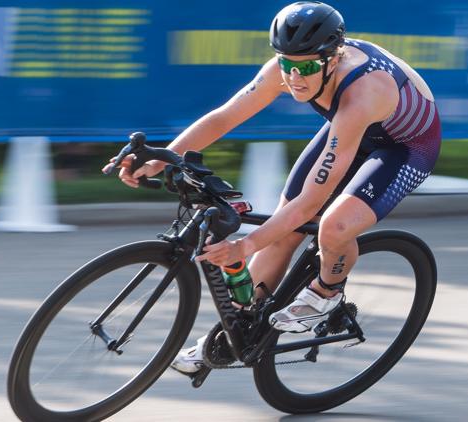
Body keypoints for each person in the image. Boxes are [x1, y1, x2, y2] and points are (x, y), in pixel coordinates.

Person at [109, 1, 441, 375]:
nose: (295, 77)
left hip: (406, 146)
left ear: (332, 59)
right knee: (284, 231)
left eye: (307, 67)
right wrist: (161, 158)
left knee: (334, 224)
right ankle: (232, 333)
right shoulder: (288, 68)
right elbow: (226, 116)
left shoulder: (363, 91)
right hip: (352, 131)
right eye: (287, 64)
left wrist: (246, 244)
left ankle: (327, 292)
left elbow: (309, 202)